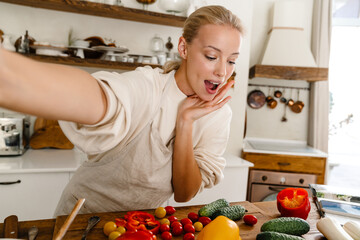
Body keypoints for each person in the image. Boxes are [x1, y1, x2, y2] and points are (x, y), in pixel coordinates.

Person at [0, 5, 244, 215]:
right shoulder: (147, 87)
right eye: (212, 56)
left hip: (141, 225)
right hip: (82, 218)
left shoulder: (219, 114)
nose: (222, 72)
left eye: (231, 60)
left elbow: (184, 193)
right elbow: (100, 98)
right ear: (183, 48)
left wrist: (185, 122)